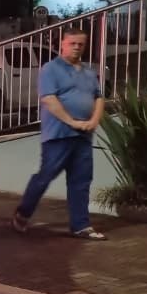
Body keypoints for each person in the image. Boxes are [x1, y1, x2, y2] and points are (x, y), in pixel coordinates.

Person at [12, 28, 108, 240]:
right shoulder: (50, 69)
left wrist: (93, 121)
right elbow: (48, 99)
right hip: (58, 135)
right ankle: (23, 213)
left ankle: (80, 226)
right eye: (72, 43)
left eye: (80, 44)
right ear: (62, 44)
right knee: (45, 176)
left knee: (81, 181)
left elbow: (99, 97)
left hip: (83, 136)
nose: (76, 47)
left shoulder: (89, 72)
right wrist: (72, 121)